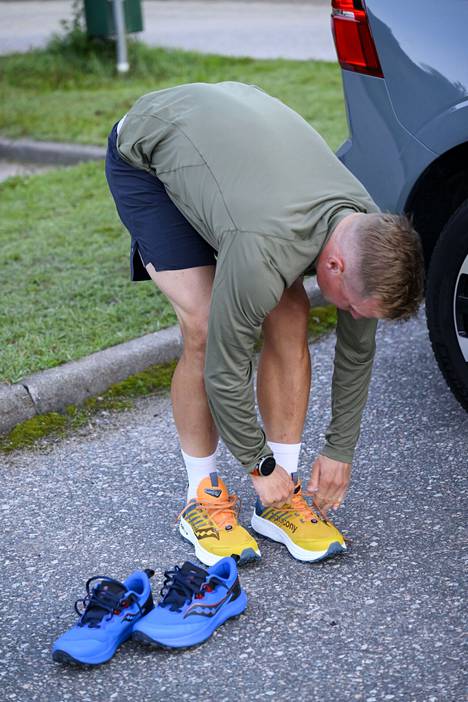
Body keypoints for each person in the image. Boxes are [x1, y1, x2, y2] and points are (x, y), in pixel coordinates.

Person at [105, 81, 424, 566]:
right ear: (334, 267)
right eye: (357, 309)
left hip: (237, 161)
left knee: (292, 313)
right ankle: (202, 497)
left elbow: (357, 352)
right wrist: (259, 464)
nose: (356, 318)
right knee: (207, 325)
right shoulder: (262, 248)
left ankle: (278, 501)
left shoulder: (367, 232)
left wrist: (339, 450)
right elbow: (223, 369)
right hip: (151, 152)